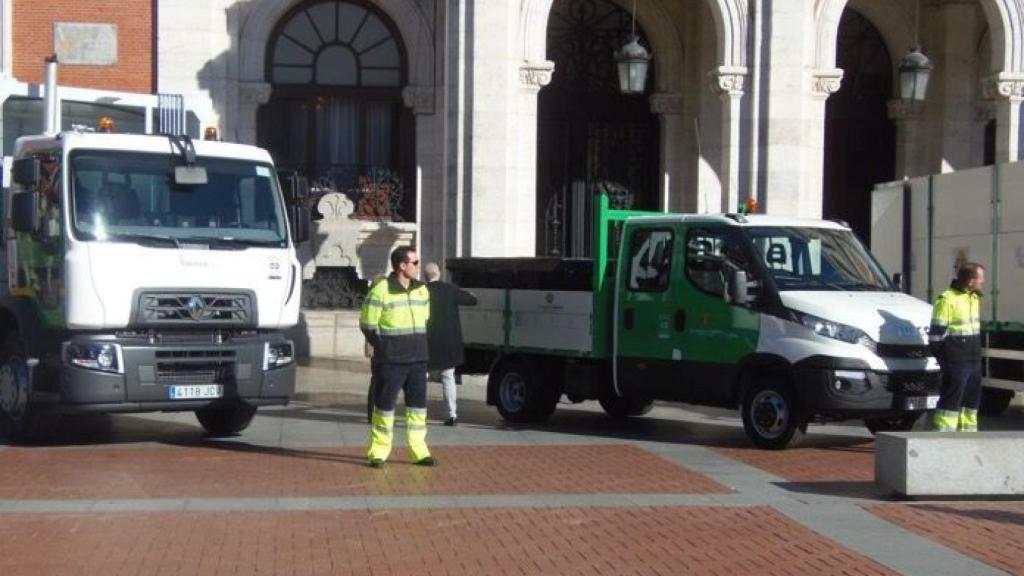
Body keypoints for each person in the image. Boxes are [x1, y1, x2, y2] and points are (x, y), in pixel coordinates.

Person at [360, 246, 434, 467]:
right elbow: (368, 324)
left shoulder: (422, 290)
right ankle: (378, 452)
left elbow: (425, 320)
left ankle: (419, 451)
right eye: (415, 262)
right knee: (384, 407)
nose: (418, 266)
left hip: (418, 359)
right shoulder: (381, 290)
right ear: (402, 266)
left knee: (418, 408)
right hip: (391, 361)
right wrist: (385, 348)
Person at [929, 262, 985, 432]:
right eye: (980, 278)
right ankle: (944, 436)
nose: (983, 282)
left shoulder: (974, 297)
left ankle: (968, 436)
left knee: (971, 401)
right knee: (951, 399)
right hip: (956, 359)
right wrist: (945, 358)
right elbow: (936, 335)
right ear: (970, 281)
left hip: (974, 358)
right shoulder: (946, 299)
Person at [424, 262, 478, 426]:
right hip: (448, 342)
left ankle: (420, 412)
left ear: (425, 276)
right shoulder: (450, 289)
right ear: (439, 273)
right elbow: (472, 300)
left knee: (421, 378)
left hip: (426, 341)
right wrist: (470, 293)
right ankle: (451, 414)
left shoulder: (420, 291)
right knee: (448, 377)